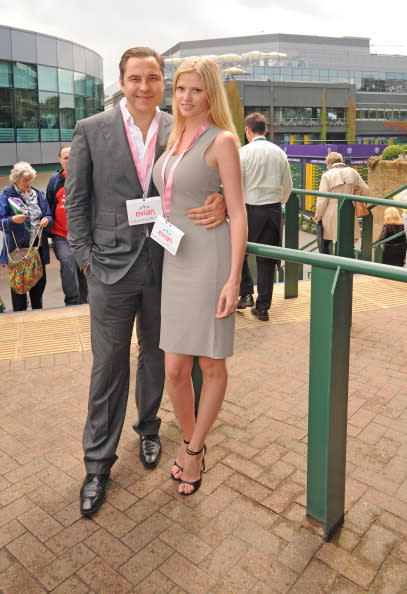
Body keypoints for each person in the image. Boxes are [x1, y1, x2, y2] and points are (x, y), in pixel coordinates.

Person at [65, 47, 226, 516]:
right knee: (108, 367)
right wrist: (86, 260)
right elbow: (77, 201)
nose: (144, 86)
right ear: (122, 80)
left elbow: (205, 176)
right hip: (109, 269)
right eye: (135, 78)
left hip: (167, 262)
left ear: (163, 82)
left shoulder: (182, 128)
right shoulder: (91, 130)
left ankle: (150, 429)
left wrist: (217, 197)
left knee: (158, 357)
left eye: (153, 78)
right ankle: (97, 464)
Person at [153, 57, 247, 495]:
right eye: (180, 90)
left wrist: (233, 278)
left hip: (210, 258)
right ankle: (195, 443)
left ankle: (192, 452)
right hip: (176, 258)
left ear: (211, 93)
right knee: (174, 369)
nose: (186, 98)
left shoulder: (222, 139)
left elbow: (240, 209)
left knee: (210, 363)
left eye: (196, 90)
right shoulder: (174, 137)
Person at [237, 113, 293, 322]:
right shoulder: (279, 152)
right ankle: (263, 308)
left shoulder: (243, 153)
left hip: (249, 209)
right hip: (273, 210)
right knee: (266, 261)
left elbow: (237, 185)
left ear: (247, 131)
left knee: (239, 253)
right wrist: (279, 201)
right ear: (265, 131)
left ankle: (246, 294)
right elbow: (287, 185)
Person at [0, 162, 52, 311]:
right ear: (16, 179)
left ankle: (37, 313)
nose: (29, 183)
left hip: (37, 247)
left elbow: (48, 214)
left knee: (39, 283)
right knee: (19, 287)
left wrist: (47, 219)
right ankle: (19, 318)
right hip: (18, 250)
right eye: (25, 180)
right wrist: (12, 220)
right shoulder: (6, 195)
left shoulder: (38, 194)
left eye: (30, 179)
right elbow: (1, 221)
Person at [46, 146, 88, 306]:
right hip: (61, 235)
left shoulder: (85, 177)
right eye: (65, 157)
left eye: (72, 156)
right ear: (60, 160)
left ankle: (85, 302)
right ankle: (72, 303)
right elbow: (49, 205)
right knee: (68, 261)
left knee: (83, 266)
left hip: (83, 235)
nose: (69, 160)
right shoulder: (55, 180)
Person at [314, 152, 369, 254]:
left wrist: (318, 217)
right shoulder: (353, 172)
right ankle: (347, 267)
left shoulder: (327, 175)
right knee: (347, 242)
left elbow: (322, 200)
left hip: (330, 214)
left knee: (325, 243)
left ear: (329, 163)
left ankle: (327, 266)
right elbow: (366, 191)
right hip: (349, 212)